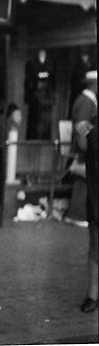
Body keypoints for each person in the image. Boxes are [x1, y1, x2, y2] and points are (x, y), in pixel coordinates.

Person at [64, 70, 97, 228]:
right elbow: (81, 127)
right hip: (85, 148)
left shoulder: (87, 101)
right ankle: (76, 214)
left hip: (88, 147)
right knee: (84, 180)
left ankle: (78, 213)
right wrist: (86, 149)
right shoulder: (86, 102)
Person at [74, 116, 98, 313]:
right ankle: (92, 294)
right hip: (97, 193)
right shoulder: (94, 123)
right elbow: (83, 146)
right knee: (95, 244)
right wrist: (80, 131)